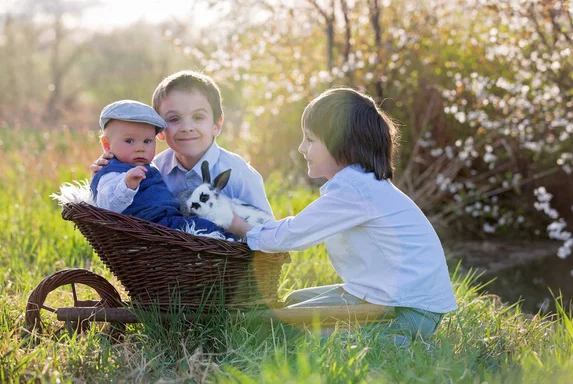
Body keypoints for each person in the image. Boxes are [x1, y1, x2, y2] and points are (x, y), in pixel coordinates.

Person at [228, 88, 457, 343]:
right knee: (293, 302)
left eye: (311, 139)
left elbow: (292, 235)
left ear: (342, 145)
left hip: (407, 309)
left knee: (289, 332)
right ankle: (374, 335)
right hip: (375, 296)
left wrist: (237, 225)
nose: (301, 147)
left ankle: (396, 342)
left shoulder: (355, 190)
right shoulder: (359, 185)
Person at [91, 70, 272, 216]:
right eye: (174, 118)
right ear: (160, 131)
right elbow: (117, 208)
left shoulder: (238, 174)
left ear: (217, 125)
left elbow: (265, 231)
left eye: (198, 117)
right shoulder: (153, 170)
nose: (187, 127)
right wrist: (111, 170)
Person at [91, 99, 235, 239]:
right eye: (129, 141)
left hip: (168, 221)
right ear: (107, 145)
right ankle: (229, 245)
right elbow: (105, 206)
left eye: (147, 141)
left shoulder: (153, 165)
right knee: (203, 228)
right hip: (150, 226)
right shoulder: (111, 171)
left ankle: (230, 243)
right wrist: (126, 185)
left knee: (205, 225)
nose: (140, 148)